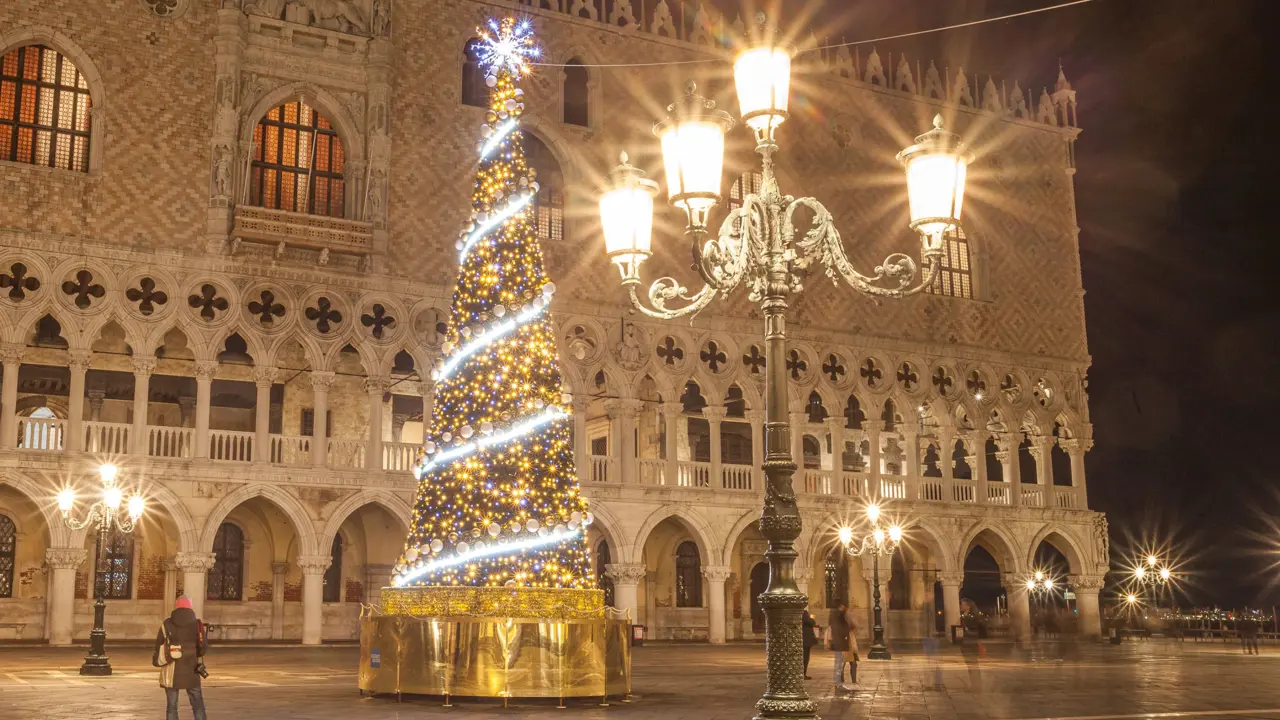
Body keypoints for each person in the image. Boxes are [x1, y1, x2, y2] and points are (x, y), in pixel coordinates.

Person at [153, 596, 208, 720]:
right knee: (197, 704)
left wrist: (156, 660)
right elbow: (203, 648)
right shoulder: (198, 624)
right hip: (192, 668)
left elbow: (159, 645)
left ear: (176, 606)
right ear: (190, 606)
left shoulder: (166, 623)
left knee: (172, 706)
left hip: (171, 670)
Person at [802, 609, 819, 679]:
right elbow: (812, 622)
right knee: (805, 658)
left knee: (804, 658)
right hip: (805, 641)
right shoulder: (804, 613)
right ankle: (803, 674)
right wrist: (811, 618)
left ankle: (803, 674)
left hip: (803, 641)